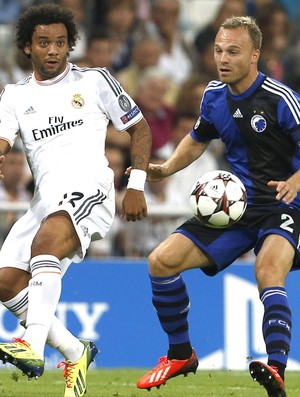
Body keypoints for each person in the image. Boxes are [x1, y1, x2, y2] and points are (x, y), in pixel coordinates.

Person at [134, 16, 300, 397]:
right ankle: (180, 353)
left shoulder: (280, 98)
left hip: (285, 203)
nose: (223, 59)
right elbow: (198, 138)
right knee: (161, 260)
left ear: (255, 54)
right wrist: (164, 169)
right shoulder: (213, 94)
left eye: (233, 51)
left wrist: (294, 181)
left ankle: (275, 368)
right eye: (218, 50)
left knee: (267, 269)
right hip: (236, 205)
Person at [0, 4, 152, 397]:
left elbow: (139, 127)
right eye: (44, 42)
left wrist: (135, 184)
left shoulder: (96, 80)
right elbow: (2, 140)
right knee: (6, 282)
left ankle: (31, 347)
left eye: (61, 43)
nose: (53, 50)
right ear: (27, 47)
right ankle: (74, 350)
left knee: (45, 244)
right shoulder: (15, 95)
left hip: (91, 190)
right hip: (45, 200)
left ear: (70, 46)